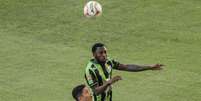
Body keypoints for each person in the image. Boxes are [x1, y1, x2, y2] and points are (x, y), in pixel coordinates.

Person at [84, 43, 164, 101]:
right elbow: (96, 91)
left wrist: (149, 67)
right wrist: (110, 82)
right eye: (101, 53)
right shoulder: (90, 70)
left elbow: (127, 67)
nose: (104, 55)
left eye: (105, 52)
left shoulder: (109, 61)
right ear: (94, 54)